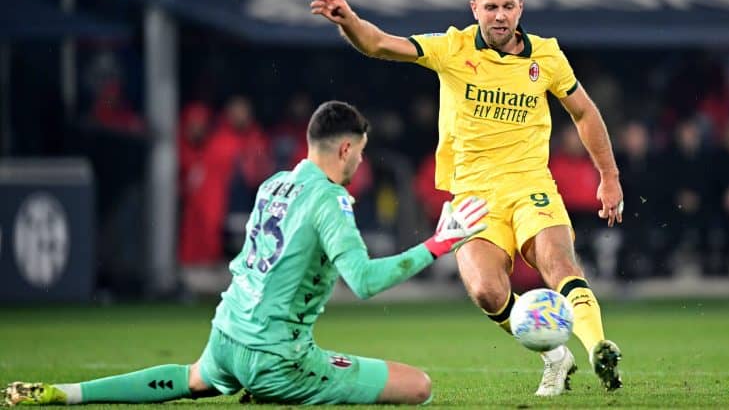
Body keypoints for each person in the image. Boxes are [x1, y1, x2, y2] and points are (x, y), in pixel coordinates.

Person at [3, 101, 488, 406]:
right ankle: (275, 391)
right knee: (418, 387)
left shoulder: (275, 184)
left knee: (193, 379)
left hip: (227, 335)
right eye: (359, 152)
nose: (362, 162)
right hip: (276, 358)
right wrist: (436, 245)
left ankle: (66, 394)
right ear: (344, 149)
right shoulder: (331, 199)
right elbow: (363, 281)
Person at [311, 0, 624, 396]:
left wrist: (609, 176)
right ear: (474, 7)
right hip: (474, 196)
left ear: (520, 7)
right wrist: (350, 20)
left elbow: (584, 111)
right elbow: (381, 44)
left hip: (530, 184)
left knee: (558, 263)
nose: (500, 15)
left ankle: (597, 348)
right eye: (491, 6)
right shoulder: (452, 48)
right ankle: (554, 355)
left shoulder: (546, 56)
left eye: (508, 6)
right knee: (485, 290)